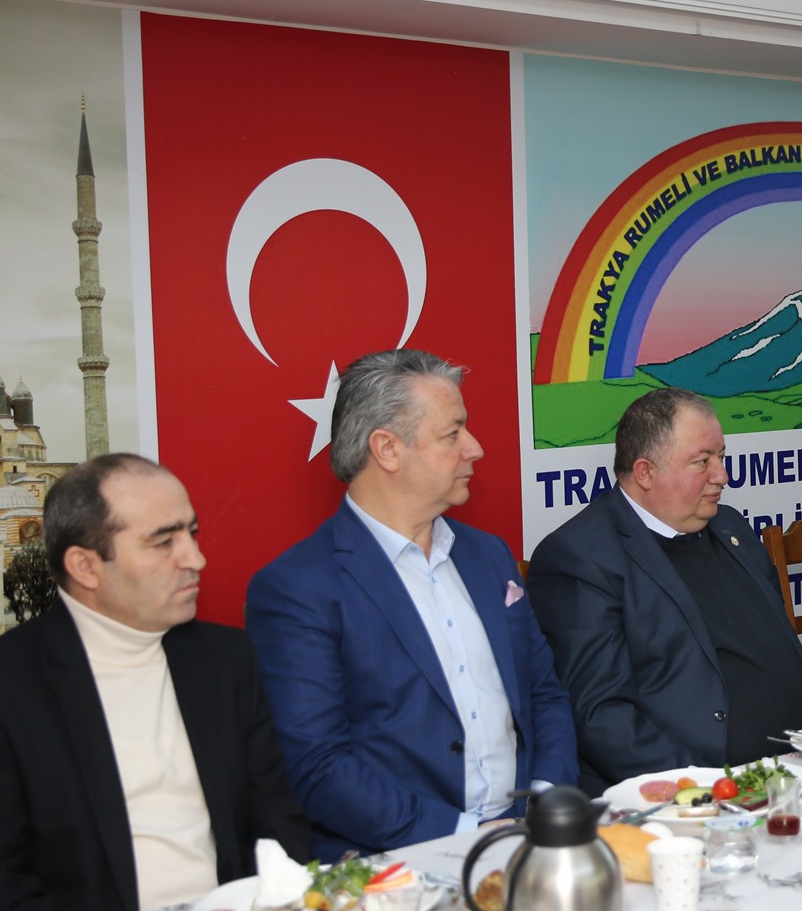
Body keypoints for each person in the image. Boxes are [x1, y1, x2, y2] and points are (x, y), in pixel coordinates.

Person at [0, 454, 310, 911]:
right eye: (164, 542)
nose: (195, 559)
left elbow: (277, 824)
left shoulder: (225, 660)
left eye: (192, 533)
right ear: (85, 566)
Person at [247, 349, 576, 861]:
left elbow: (544, 696)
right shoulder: (298, 588)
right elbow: (319, 767)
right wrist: (467, 836)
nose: (475, 448)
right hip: (400, 865)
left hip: (531, 839)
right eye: (452, 433)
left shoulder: (488, 556)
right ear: (387, 449)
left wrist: (543, 804)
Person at [527, 388, 802, 792]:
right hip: (702, 790)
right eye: (702, 461)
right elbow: (601, 716)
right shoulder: (580, 557)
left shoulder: (732, 527)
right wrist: (706, 789)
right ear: (645, 473)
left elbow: (793, 657)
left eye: (721, 457)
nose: (722, 476)